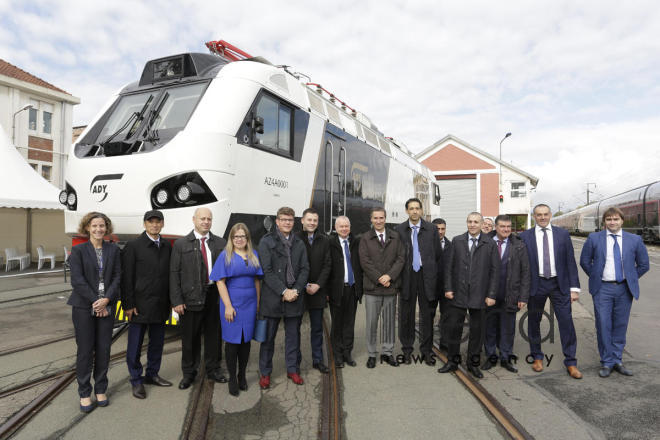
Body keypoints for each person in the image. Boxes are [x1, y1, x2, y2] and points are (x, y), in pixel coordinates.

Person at [579, 207, 649, 377]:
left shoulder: (635, 240)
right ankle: (606, 362)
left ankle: (617, 360)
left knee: (620, 325)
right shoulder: (594, 238)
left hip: (624, 289)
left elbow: (643, 265)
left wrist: (630, 279)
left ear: (622, 221)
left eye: (616, 219)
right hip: (603, 288)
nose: (612, 222)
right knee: (603, 324)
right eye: (609, 219)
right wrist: (597, 276)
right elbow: (585, 261)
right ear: (604, 221)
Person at [520, 204, 582, 379]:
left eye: (545, 214)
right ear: (534, 217)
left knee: (566, 323)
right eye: (538, 215)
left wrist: (574, 288)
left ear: (550, 215)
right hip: (536, 284)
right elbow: (521, 266)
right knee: (533, 322)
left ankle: (571, 362)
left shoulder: (562, 235)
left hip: (559, 284)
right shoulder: (525, 236)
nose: (542, 217)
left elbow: (570, 261)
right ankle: (537, 357)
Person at [68, 212, 120, 412]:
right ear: (87, 228)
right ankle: (84, 392)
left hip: (107, 305)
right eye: (95, 226)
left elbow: (117, 277)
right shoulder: (79, 251)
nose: (99, 229)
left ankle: (100, 389)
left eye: (102, 226)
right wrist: (96, 301)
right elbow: (77, 280)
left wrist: (106, 300)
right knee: (85, 351)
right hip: (83, 307)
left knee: (104, 349)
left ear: (106, 228)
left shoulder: (113, 250)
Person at [170, 207, 227, 390]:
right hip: (190, 297)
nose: (206, 222)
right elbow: (174, 274)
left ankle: (213, 369)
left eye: (209, 219)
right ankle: (189, 374)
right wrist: (177, 301)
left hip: (214, 295)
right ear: (194, 219)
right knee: (190, 338)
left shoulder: (220, 243)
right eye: (202, 219)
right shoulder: (181, 244)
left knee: (214, 336)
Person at [438, 212, 499, 379]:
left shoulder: (490, 244)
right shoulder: (457, 241)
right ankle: (452, 361)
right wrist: (448, 288)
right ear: (466, 223)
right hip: (458, 293)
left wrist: (491, 294)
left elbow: (495, 271)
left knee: (477, 332)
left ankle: (473, 364)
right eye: (470, 221)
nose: (472, 225)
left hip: (480, 295)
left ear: (481, 224)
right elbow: (448, 267)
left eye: (476, 222)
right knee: (454, 330)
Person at [122, 210, 173, 399]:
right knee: (135, 345)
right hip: (139, 305)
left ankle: (152, 374)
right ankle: (136, 380)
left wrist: (170, 301)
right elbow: (126, 278)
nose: (154, 225)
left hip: (160, 304)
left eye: (158, 222)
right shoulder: (133, 246)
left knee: (157, 343)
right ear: (144, 224)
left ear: (162, 224)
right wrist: (128, 304)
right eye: (150, 222)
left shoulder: (167, 246)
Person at [258, 207, 310, 389]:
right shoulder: (266, 242)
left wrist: (295, 289)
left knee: (293, 337)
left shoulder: (299, 243)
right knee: (268, 339)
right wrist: (283, 291)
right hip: (273, 297)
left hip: (294, 297)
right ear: (277, 221)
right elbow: (267, 271)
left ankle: (292, 370)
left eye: (290, 219)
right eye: (283, 219)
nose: (287, 222)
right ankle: (265, 373)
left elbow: (305, 269)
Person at [210, 223, 263, 396]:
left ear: (247, 238)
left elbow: (257, 281)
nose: (239, 239)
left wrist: (258, 304)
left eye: (243, 236)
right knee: (232, 343)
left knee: (246, 342)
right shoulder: (225, 256)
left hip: (250, 304)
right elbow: (220, 282)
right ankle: (232, 377)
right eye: (236, 236)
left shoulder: (253, 255)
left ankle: (242, 375)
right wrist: (228, 306)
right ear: (231, 239)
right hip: (232, 304)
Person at [396, 198, 443, 366]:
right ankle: (407, 350)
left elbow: (437, 254)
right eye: (411, 208)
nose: (415, 211)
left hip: (426, 276)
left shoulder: (431, 229)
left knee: (426, 315)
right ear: (407, 211)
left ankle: (426, 350)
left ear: (422, 211)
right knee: (406, 315)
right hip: (407, 276)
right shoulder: (399, 230)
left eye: (417, 208)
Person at [482, 215, 530, 373]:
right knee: (489, 327)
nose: (506, 229)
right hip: (489, 295)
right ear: (495, 227)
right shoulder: (485, 242)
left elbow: (525, 273)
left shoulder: (519, 245)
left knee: (507, 328)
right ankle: (490, 357)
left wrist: (523, 297)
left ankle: (505, 357)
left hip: (511, 295)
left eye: (508, 226)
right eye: (502, 226)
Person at [359, 207, 405, 368]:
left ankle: (387, 352)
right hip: (372, 288)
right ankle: (372, 354)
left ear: (385, 219)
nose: (378, 221)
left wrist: (389, 276)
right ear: (371, 220)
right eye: (375, 218)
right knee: (372, 322)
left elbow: (401, 258)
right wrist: (379, 278)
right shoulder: (365, 238)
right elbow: (365, 262)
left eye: (381, 218)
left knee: (389, 322)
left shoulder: (395, 236)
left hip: (390, 288)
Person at [295, 208, 331, 374]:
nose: (312, 223)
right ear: (302, 220)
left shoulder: (324, 240)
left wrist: (318, 285)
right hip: (299, 291)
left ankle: (318, 360)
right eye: (309, 220)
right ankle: (295, 362)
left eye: (315, 220)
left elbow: (327, 265)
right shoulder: (295, 239)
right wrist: (302, 285)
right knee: (294, 328)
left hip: (317, 290)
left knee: (317, 328)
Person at [328, 216, 363, 368]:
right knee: (337, 324)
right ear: (335, 228)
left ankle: (347, 353)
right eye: (341, 226)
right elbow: (327, 268)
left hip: (352, 289)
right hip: (337, 290)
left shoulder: (355, 242)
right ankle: (337, 355)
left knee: (349, 323)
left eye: (346, 226)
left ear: (350, 227)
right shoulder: (330, 243)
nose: (344, 229)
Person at [432, 218, 452, 350]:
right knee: (428, 316)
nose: (440, 232)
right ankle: (427, 344)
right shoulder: (426, 244)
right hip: (431, 287)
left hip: (446, 288)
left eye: (442, 229)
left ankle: (445, 343)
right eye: (437, 229)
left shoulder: (452, 245)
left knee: (446, 316)